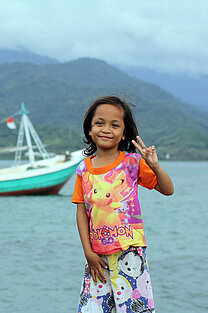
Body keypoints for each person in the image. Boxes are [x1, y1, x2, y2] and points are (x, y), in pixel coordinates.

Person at [72, 96, 173, 313]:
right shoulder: (83, 169)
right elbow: (81, 212)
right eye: (99, 123)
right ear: (89, 130)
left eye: (114, 124)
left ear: (124, 132)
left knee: (134, 308)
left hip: (130, 253)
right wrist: (88, 252)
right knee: (93, 308)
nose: (106, 129)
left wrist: (154, 165)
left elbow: (167, 189)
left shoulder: (132, 163)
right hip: (97, 256)